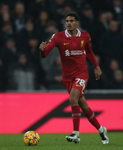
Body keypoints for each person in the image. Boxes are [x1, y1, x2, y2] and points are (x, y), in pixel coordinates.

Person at [39, 12, 109, 144]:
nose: (69, 23)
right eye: (67, 21)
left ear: (77, 23)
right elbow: (45, 54)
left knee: (72, 99)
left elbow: (89, 51)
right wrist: (42, 50)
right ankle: (101, 130)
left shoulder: (85, 36)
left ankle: (76, 133)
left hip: (82, 74)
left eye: (71, 21)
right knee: (84, 106)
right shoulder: (58, 37)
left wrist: (97, 67)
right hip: (67, 77)